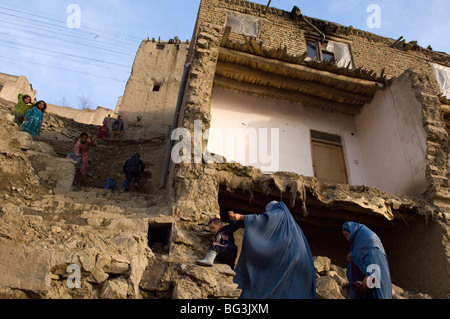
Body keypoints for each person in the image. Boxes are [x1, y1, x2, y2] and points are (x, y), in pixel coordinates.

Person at [229, 201, 316, 299]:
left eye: (268, 211)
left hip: (290, 255)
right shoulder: (291, 222)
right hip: (299, 256)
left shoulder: (279, 212)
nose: (268, 213)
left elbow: (263, 220)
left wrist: (240, 217)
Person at [342, 221, 392, 299]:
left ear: (353, 232)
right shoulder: (359, 247)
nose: (347, 239)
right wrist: (352, 261)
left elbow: (374, 264)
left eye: (347, 235)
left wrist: (370, 276)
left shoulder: (371, 243)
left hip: (374, 290)